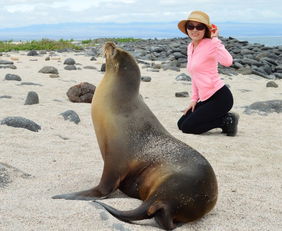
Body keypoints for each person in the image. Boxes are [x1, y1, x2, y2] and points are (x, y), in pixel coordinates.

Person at [177, 10, 239, 136]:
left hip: (220, 97)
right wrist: (194, 100)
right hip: (205, 99)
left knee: (188, 128)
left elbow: (228, 61)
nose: (194, 30)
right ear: (187, 28)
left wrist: (215, 39)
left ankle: (225, 120)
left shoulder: (211, 44)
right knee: (181, 124)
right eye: (191, 26)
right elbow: (195, 76)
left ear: (205, 29)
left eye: (199, 26)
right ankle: (221, 119)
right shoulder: (190, 47)